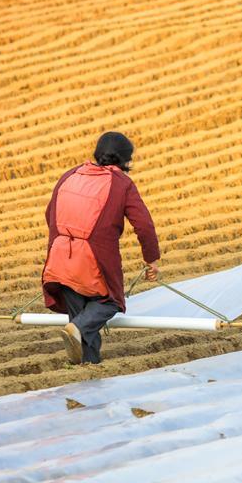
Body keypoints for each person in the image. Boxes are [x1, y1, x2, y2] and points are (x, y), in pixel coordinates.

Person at [41, 132, 161, 364]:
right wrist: (151, 259)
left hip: (59, 257)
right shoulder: (122, 183)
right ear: (126, 161)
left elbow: (50, 214)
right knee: (111, 302)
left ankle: (86, 369)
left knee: (81, 328)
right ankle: (78, 328)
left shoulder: (70, 174)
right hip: (93, 259)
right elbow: (144, 225)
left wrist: (66, 241)